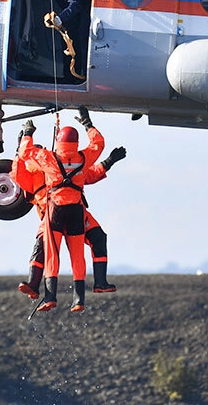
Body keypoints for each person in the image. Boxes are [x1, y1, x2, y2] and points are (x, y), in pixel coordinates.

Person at [12, 119, 126, 300]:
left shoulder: (50, 161)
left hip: (66, 213)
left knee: (98, 237)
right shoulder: (33, 174)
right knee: (42, 246)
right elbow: (18, 173)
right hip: (54, 215)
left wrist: (109, 162)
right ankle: (34, 284)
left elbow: (88, 174)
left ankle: (99, 282)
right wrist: (18, 153)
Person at [37, 0, 88, 80]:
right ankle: (68, 77)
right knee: (68, 44)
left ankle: (79, 76)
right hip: (71, 16)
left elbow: (76, 3)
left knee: (81, 41)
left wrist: (61, 18)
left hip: (83, 11)